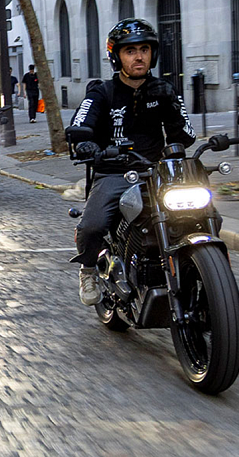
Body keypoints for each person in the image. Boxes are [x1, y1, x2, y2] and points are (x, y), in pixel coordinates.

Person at [66, 19, 194, 306]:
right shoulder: (102, 92)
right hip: (116, 171)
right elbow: (80, 123)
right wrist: (85, 143)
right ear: (117, 56)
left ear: (153, 53)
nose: (139, 56)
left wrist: (173, 111)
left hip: (160, 171)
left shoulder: (164, 89)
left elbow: (186, 137)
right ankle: (88, 269)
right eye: (130, 50)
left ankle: (207, 265)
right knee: (93, 224)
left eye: (144, 49)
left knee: (206, 209)